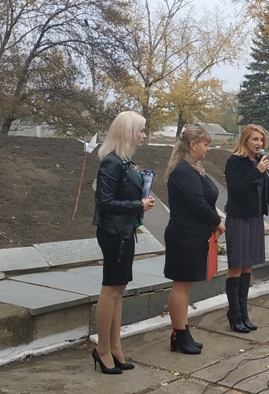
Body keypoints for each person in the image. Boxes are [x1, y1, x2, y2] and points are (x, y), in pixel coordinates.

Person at [92, 111, 155, 374]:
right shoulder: (112, 162)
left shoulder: (125, 162)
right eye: (141, 130)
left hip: (125, 231)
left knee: (119, 290)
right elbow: (104, 202)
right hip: (113, 232)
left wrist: (140, 203)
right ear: (128, 132)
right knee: (111, 289)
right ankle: (103, 348)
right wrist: (138, 204)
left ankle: (114, 346)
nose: (144, 135)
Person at [163, 126, 225, 354]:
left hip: (194, 234)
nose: (208, 149)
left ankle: (181, 332)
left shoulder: (193, 169)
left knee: (185, 285)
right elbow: (197, 203)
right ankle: (180, 334)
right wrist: (217, 222)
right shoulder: (183, 171)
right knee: (181, 285)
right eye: (205, 145)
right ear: (192, 145)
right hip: (184, 236)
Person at [224, 125, 269, 332]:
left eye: (261, 140)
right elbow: (236, 189)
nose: (259, 143)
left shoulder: (259, 161)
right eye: (255, 139)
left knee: (248, 265)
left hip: (255, 219)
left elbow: (268, 189)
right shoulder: (235, 161)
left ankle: (244, 312)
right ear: (245, 140)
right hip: (239, 218)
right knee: (237, 264)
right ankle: (234, 313)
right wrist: (256, 172)